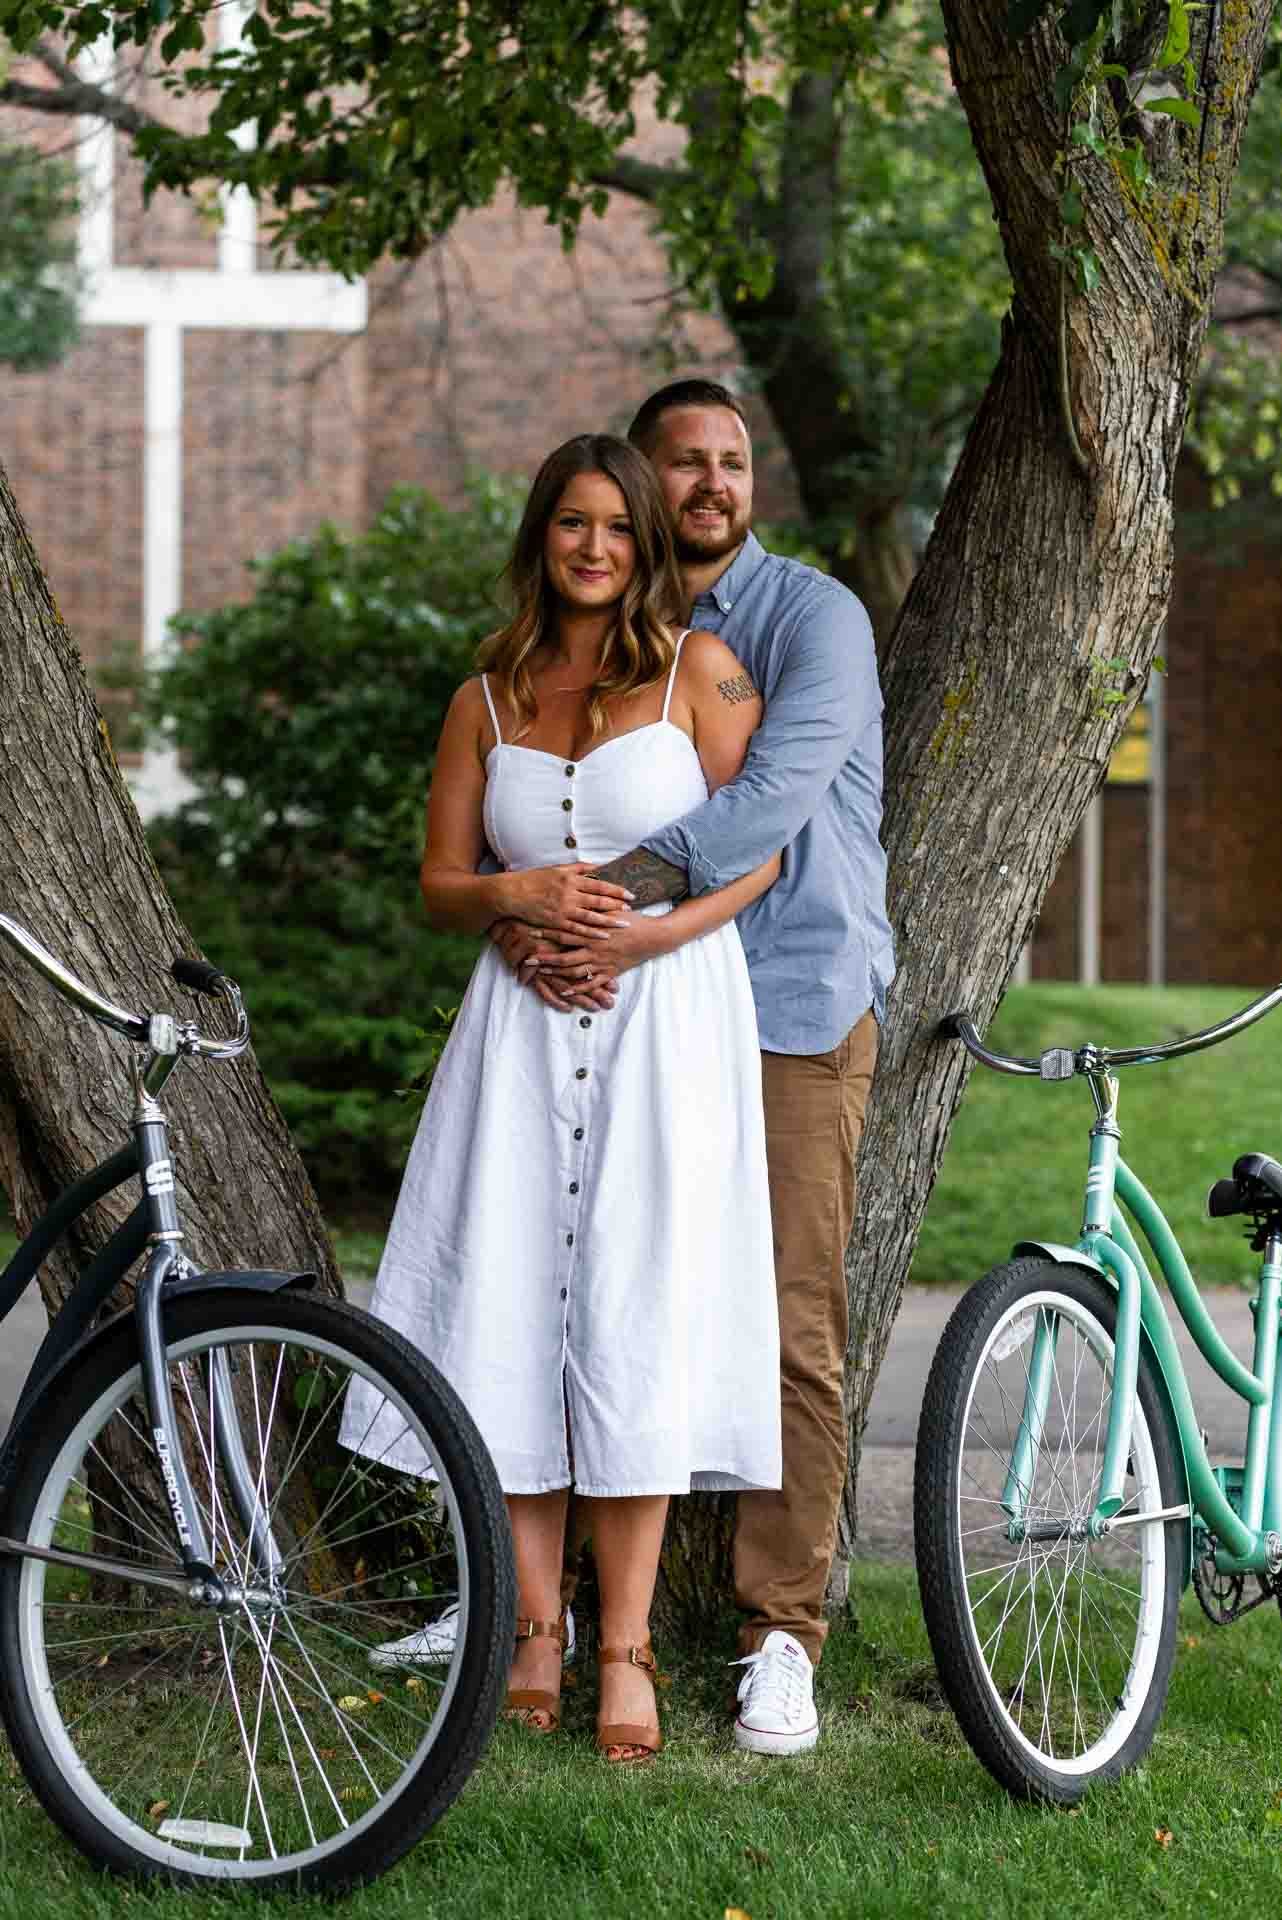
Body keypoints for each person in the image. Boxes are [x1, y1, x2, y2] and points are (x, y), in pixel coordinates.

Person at [341, 432, 782, 1764]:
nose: (592, 548)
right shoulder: (484, 696)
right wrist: (514, 904)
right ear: (542, 536)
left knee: (639, 1310)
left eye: (615, 528)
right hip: (521, 1039)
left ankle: (631, 1646)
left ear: (645, 545)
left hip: (664, 1025)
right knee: (511, 1312)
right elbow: (440, 881)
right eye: (570, 525)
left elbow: (758, 855)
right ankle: (537, 1628)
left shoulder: (699, 676)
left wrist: (636, 939)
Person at [494, 381, 893, 1757]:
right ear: (637, 480)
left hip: (784, 1005)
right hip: (624, 1017)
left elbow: (765, 803)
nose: (713, 483)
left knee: (783, 1325)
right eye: (686, 462)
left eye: (732, 461)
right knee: (571, 1290)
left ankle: (778, 1634)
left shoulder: (809, 621)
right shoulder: (612, 634)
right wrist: (529, 922)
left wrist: (589, 908)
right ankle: (542, 1611)